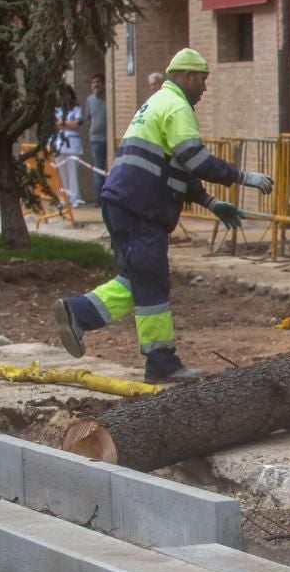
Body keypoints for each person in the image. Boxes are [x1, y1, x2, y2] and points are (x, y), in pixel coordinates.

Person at [51, 48, 274, 384]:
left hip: (125, 203)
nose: (205, 88)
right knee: (151, 279)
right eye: (202, 80)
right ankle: (161, 361)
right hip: (141, 208)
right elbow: (195, 160)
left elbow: (176, 167)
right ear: (186, 76)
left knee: (138, 277)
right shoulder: (177, 107)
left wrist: (211, 202)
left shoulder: (157, 103)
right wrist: (244, 177)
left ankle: (79, 314)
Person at [52, 83, 86, 207]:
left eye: (66, 94)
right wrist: (67, 124)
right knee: (62, 173)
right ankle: (64, 199)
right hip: (59, 144)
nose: (64, 97)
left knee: (73, 173)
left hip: (73, 144)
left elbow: (76, 124)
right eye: (61, 95)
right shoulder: (56, 109)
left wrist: (62, 124)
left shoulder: (76, 108)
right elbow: (54, 124)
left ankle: (74, 199)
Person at [86, 72, 108, 172]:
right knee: (98, 169)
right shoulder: (89, 100)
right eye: (93, 82)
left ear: (103, 84)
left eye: (98, 82)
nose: (95, 85)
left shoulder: (109, 98)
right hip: (96, 139)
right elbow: (88, 118)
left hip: (109, 137)